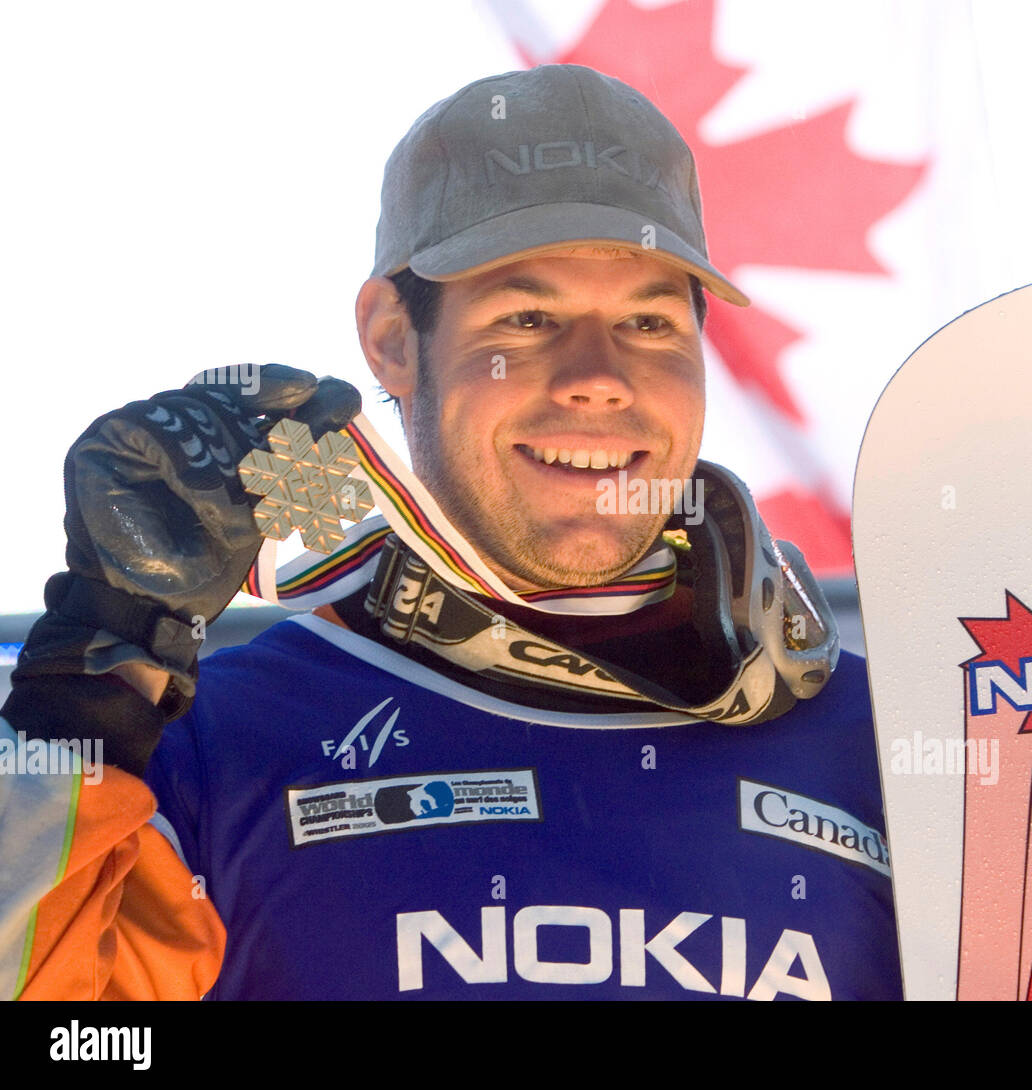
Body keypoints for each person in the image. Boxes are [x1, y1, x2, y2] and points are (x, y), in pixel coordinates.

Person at [1, 64, 900, 1000]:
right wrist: (85, 688)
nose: (599, 377)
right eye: (529, 316)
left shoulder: (883, 747)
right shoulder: (211, 749)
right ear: (393, 338)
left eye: (648, 322)